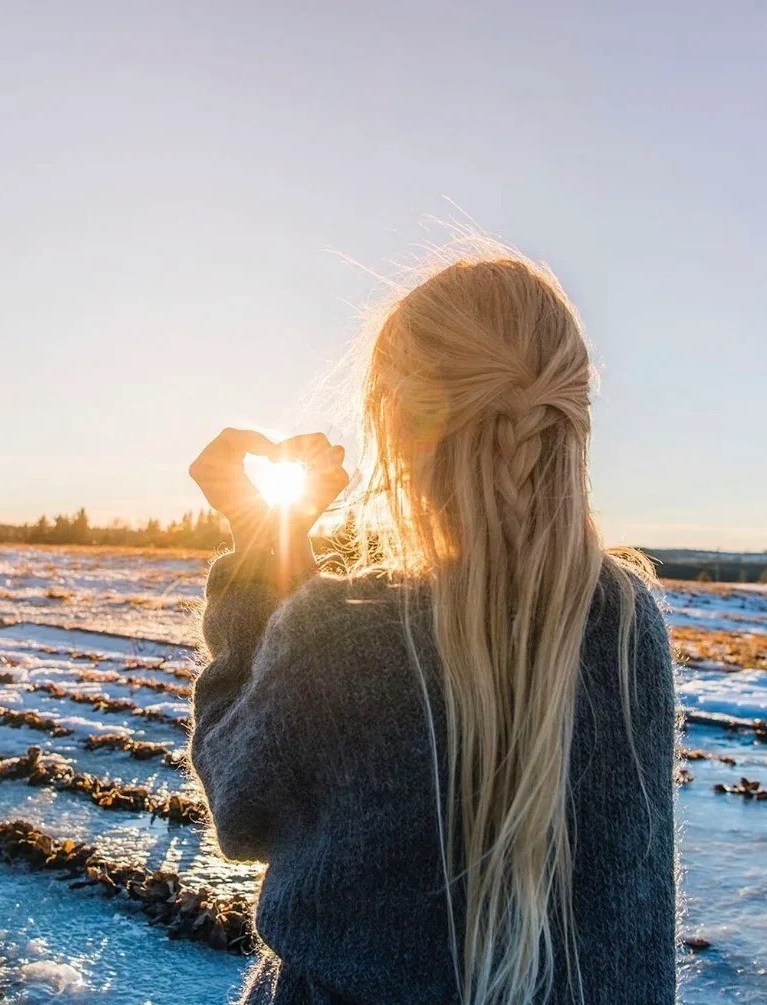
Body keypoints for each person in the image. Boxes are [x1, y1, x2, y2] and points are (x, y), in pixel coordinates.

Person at [187, 245, 677, 1005]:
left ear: (402, 434)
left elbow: (242, 807)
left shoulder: (343, 632)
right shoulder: (626, 626)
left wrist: (262, 550)